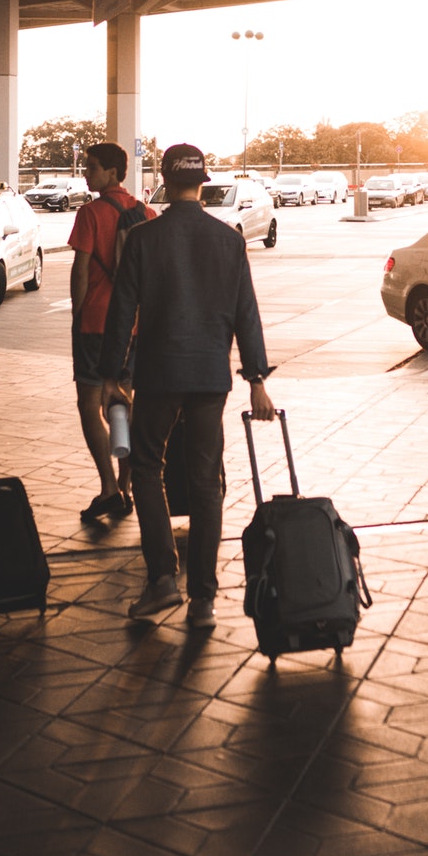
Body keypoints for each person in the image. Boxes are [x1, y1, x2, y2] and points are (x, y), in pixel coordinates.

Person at [101, 142, 275, 628]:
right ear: (204, 180)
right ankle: (203, 599)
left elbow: (122, 316)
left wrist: (111, 376)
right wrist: (256, 378)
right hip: (209, 377)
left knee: (146, 465)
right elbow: (247, 315)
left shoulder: (143, 238)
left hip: (159, 372)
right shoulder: (228, 240)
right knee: (205, 483)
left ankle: (162, 581)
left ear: (163, 179)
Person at [68, 141, 155, 523]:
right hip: (134, 322)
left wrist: (78, 313)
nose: (87, 173)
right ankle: (127, 487)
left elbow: (81, 271)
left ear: (113, 172)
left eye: (93, 167)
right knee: (126, 400)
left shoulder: (91, 213)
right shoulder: (147, 212)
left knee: (90, 403)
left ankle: (107, 489)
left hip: (96, 324)